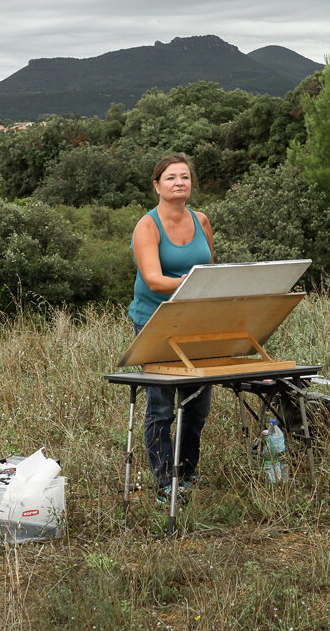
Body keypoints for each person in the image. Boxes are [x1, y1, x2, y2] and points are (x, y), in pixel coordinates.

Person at [128, 152, 214, 497]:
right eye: (171, 178)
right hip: (156, 321)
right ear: (157, 186)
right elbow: (153, 279)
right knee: (162, 405)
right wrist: (196, 284)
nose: (179, 183)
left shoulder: (202, 220)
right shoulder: (147, 225)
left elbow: (209, 268)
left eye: (184, 177)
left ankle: (187, 473)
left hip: (196, 322)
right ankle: (166, 482)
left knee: (198, 404)